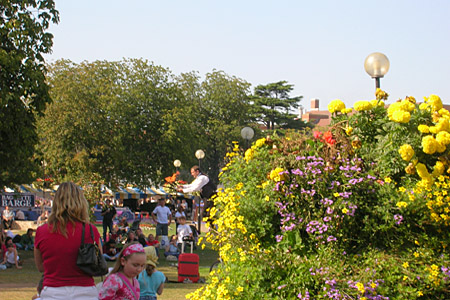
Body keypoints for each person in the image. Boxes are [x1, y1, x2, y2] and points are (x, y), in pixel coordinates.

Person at [34, 182, 101, 300]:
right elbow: (98, 262)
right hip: (85, 291)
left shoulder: (42, 231)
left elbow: (40, 267)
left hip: (53, 291)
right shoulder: (91, 230)